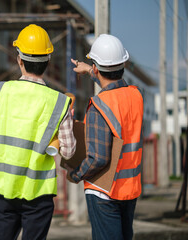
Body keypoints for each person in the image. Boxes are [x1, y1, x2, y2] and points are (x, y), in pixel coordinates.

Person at [0, 24, 76, 240]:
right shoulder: (60, 103)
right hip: (38, 195)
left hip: (4, 190)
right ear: (48, 61)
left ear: (19, 59)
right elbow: (68, 152)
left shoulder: (1, 90)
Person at [65, 34, 144, 240]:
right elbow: (115, 85)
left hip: (103, 191)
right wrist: (91, 71)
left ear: (97, 68)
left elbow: (98, 158)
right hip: (129, 188)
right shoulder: (136, 96)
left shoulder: (99, 105)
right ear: (123, 64)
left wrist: (75, 174)